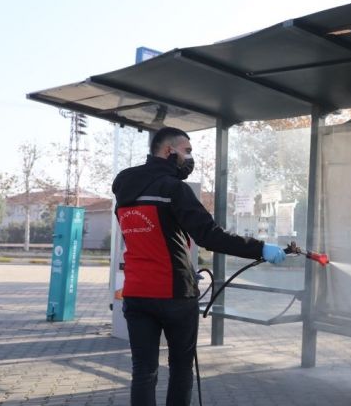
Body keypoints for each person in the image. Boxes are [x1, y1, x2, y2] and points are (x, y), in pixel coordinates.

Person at [112, 126, 285, 406]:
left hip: (136, 292)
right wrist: (260, 248)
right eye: (187, 151)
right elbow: (209, 235)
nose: (190, 157)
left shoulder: (124, 187)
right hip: (174, 294)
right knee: (181, 367)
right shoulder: (173, 189)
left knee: (143, 371)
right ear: (169, 151)